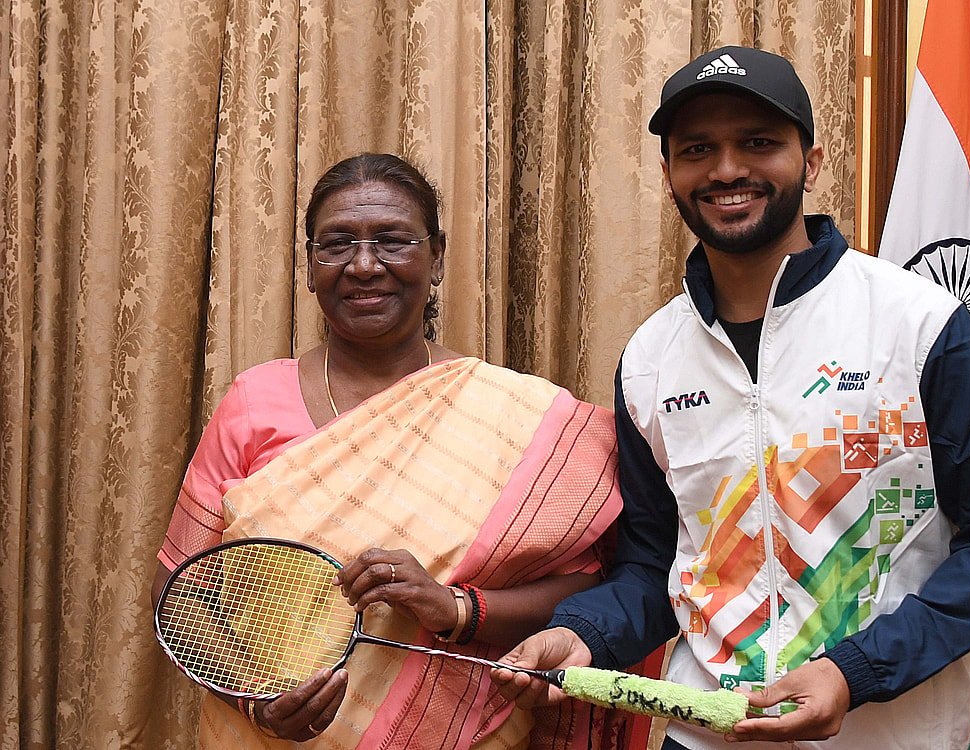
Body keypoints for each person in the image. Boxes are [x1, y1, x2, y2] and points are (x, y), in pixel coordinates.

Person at [492, 46, 970, 750]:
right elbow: (652, 567)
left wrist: (853, 672)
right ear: (669, 175)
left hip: (889, 735)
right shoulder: (649, 360)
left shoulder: (923, 327)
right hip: (704, 734)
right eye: (699, 149)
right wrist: (582, 633)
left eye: (758, 143)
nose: (728, 169)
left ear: (812, 161)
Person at [151, 153, 628, 750]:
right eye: (337, 244)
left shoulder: (518, 415)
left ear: (437, 260)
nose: (365, 265)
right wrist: (254, 699)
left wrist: (455, 608)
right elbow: (179, 591)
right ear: (309, 266)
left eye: (394, 241)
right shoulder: (253, 400)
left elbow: (586, 587)